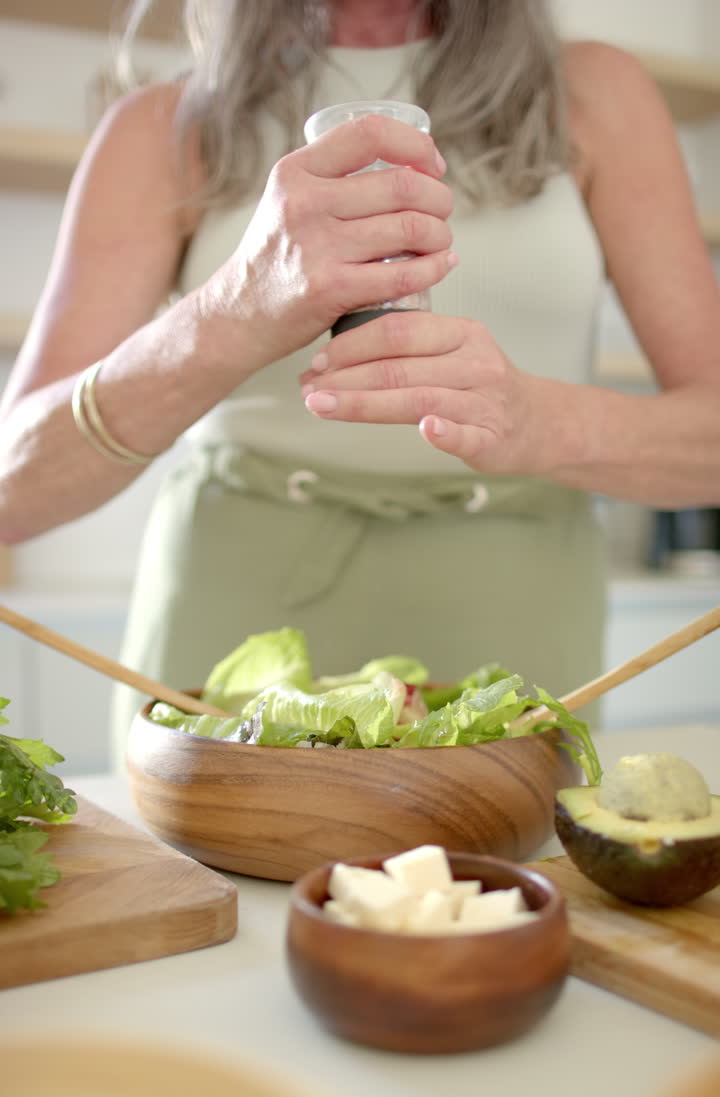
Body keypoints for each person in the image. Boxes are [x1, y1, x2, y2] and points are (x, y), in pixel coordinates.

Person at [0, 0, 718, 762]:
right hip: (232, 622)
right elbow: (16, 485)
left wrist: (541, 421)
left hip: (515, 618)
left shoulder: (598, 94)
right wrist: (232, 309)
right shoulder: (163, 125)